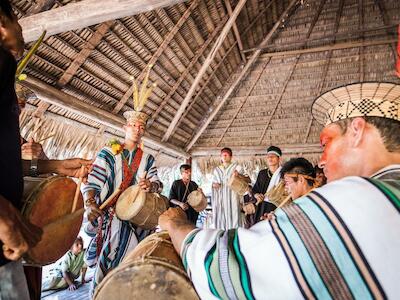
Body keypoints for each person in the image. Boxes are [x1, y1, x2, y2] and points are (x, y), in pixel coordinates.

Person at [159, 82, 400, 298]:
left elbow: (231, 270)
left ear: (357, 131)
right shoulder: (387, 190)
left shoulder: (356, 198)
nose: (323, 160)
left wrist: (176, 226)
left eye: (326, 144)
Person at [0, 2, 91, 299]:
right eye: (17, 20)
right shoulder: (2, 63)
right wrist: (3, 214)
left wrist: (55, 167)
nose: (20, 29)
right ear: (3, 23)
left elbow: (11, 168)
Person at [82, 77, 162, 294]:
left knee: (137, 259)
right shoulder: (108, 153)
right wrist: (90, 203)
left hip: (139, 218)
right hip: (111, 216)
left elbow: (157, 184)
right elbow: (93, 183)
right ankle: (104, 293)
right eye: (133, 125)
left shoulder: (148, 159)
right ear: (125, 127)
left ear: (144, 131)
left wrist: (150, 186)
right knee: (118, 251)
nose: (137, 129)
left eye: (141, 126)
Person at [242, 145, 283, 225]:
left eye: (273, 156)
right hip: (261, 207)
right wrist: (256, 195)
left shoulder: (283, 174)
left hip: (277, 208)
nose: (270, 158)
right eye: (268, 156)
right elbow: (255, 190)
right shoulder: (262, 173)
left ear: (279, 159)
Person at [211, 147, 250, 229]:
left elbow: (248, 179)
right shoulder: (216, 170)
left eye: (226, 155)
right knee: (220, 221)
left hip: (233, 199)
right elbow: (213, 184)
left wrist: (239, 175)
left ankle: (234, 238)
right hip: (220, 201)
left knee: (234, 220)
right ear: (220, 157)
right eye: (222, 155)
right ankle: (221, 237)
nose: (224, 157)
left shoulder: (237, 168)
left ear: (231, 157)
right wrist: (214, 185)